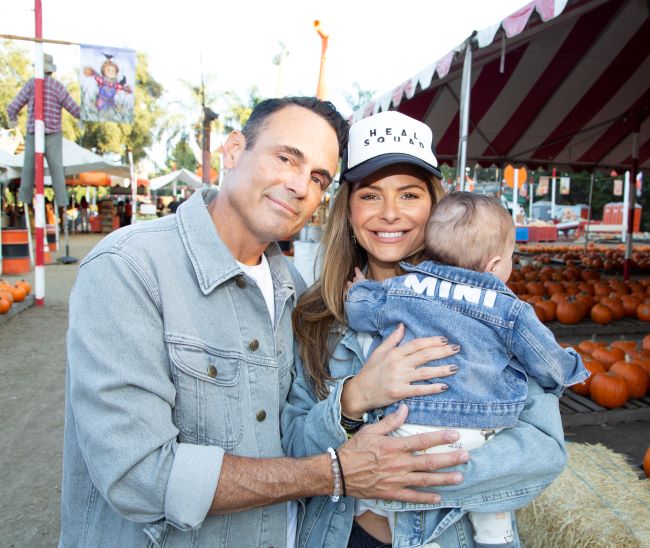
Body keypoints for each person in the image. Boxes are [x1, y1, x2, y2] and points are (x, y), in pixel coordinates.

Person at [61, 97, 470, 548]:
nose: (299, 185)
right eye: (285, 158)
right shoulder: (131, 268)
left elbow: (289, 431)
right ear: (234, 150)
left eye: (318, 178)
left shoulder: (295, 290)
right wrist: (334, 471)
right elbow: (138, 476)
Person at [282, 110, 569, 547]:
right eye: (371, 196)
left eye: (410, 194)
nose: (390, 214)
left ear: (436, 207)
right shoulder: (316, 316)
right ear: (349, 209)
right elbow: (292, 444)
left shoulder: (484, 308)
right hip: (345, 536)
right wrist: (354, 398)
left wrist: (400, 477)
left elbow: (543, 448)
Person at [346, 190, 588, 547]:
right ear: (493, 266)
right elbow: (545, 357)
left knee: (392, 476)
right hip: (479, 428)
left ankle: (384, 511)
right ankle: (495, 534)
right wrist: (569, 370)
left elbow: (362, 310)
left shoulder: (400, 289)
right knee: (493, 489)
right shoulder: (509, 309)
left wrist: (358, 292)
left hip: (409, 423)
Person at [6, 53, 80, 223]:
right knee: (56, 169)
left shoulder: (32, 84)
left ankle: (25, 199)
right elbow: (74, 109)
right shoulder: (56, 87)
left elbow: (14, 106)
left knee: (29, 167)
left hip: (36, 132)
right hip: (50, 133)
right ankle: (62, 201)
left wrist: (12, 120)